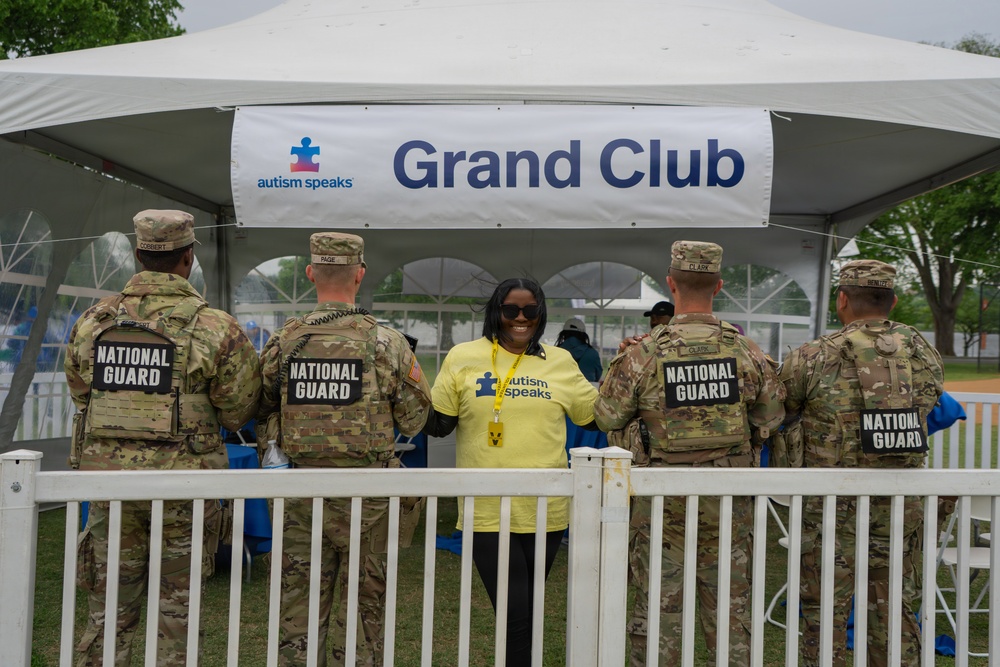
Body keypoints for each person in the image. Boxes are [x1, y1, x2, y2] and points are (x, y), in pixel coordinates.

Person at [64, 209, 261, 666]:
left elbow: (80, 393)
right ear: (188, 257)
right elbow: (237, 411)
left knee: (108, 608)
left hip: (109, 487)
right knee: (178, 610)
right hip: (186, 490)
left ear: (138, 255)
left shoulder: (93, 322)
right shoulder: (216, 327)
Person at [594, 240, 785, 667]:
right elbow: (771, 417)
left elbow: (606, 416)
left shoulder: (643, 352)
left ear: (670, 284)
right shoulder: (746, 351)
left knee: (659, 607)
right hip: (730, 501)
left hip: (661, 501)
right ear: (718, 285)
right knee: (732, 609)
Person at [257, 232, 431, 667]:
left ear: (311, 273)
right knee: (364, 617)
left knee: (297, 616)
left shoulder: (283, 341)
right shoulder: (387, 343)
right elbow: (415, 418)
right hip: (368, 498)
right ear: (360, 275)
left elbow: (256, 406)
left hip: (300, 494)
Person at [776, 259, 943, 667]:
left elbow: (782, 407)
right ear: (894, 300)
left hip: (829, 504)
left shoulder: (812, 357)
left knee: (823, 607)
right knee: (895, 604)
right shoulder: (924, 354)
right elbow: (934, 399)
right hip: (901, 500)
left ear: (843, 299)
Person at [423, 278, 598, 665]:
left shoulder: (560, 360)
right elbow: (438, 424)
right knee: (516, 611)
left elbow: (595, 415)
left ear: (541, 314)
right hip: (487, 507)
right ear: (496, 311)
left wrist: (626, 366)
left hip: (547, 508)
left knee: (529, 610)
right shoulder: (463, 356)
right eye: (511, 310)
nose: (521, 318)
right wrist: (407, 376)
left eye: (530, 311)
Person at [555, 317, 602, 383]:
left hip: (561, 390)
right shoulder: (593, 353)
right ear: (583, 335)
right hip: (585, 390)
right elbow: (598, 375)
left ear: (564, 334)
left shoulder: (555, 352)